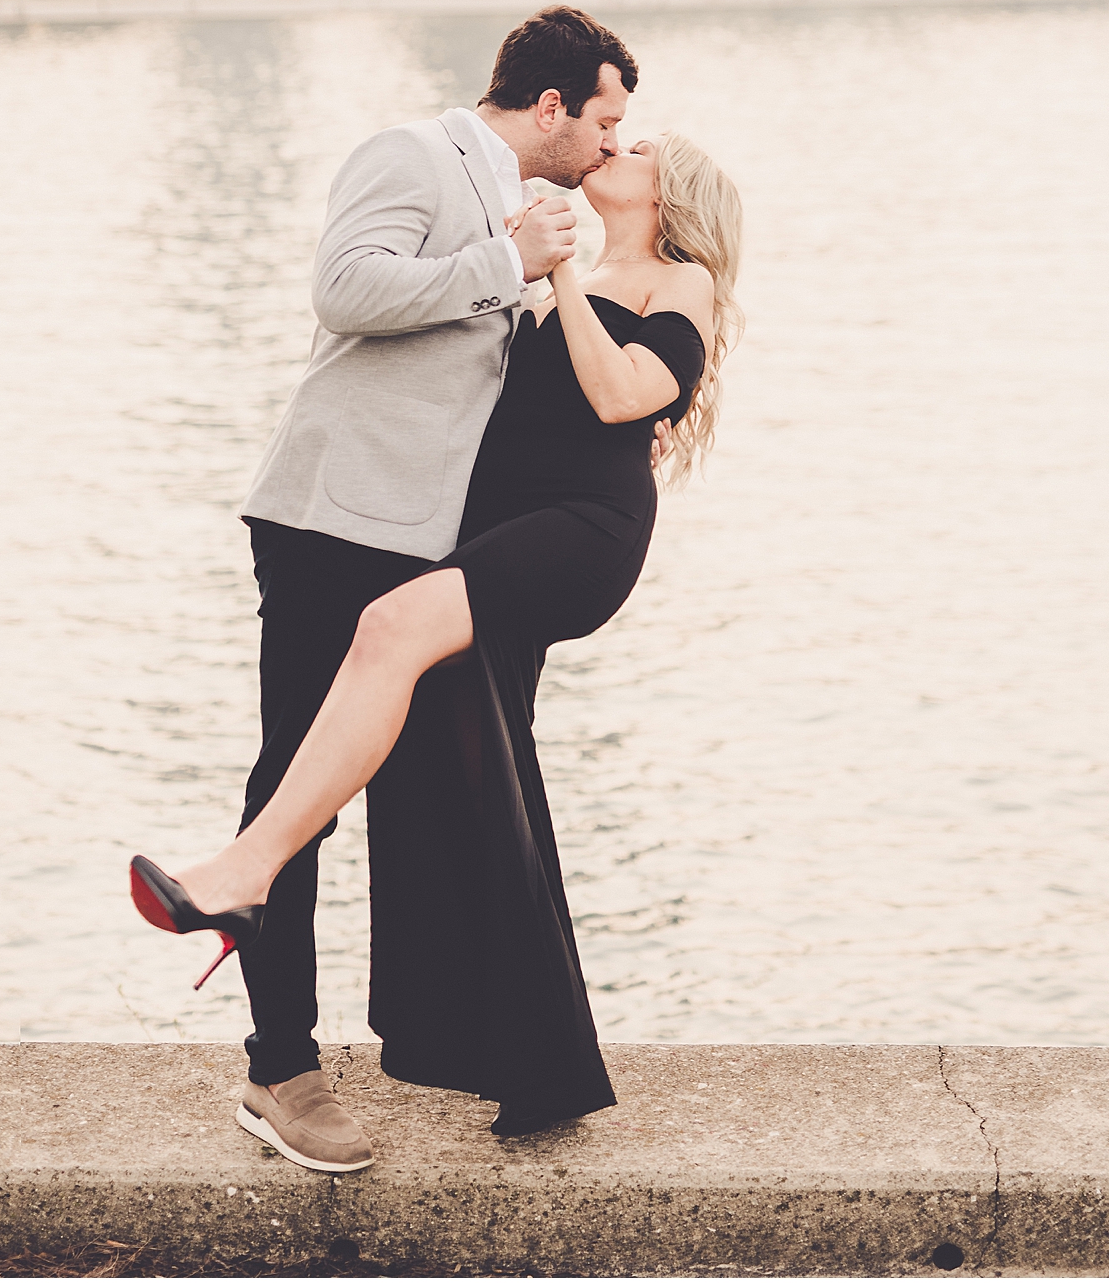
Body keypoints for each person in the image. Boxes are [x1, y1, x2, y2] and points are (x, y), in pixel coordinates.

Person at [132, 58, 744, 1161]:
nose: (619, 143)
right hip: (443, 529)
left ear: (674, 198)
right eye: (612, 122)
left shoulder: (670, 283)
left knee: (391, 636)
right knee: (473, 771)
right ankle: (528, 1057)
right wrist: (534, 273)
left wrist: (547, 274)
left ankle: (242, 874)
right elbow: (456, 369)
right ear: (554, 104)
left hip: (579, 535)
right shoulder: (447, 184)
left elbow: (619, 396)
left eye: (638, 144)